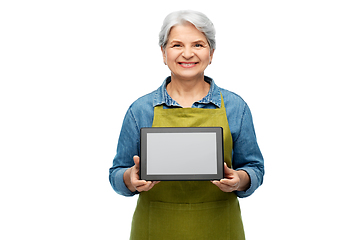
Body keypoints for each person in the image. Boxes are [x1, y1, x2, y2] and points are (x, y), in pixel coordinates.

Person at [109, 10, 264, 240]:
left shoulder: (235, 107)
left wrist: (239, 180)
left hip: (220, 228)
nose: (188, 54)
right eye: (177, 45)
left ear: (211, 53)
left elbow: (255, 168)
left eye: (198, 45)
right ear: (163, 52)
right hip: (156, 230)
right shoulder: (139, 110)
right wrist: (129, 178)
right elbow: (116, 173)